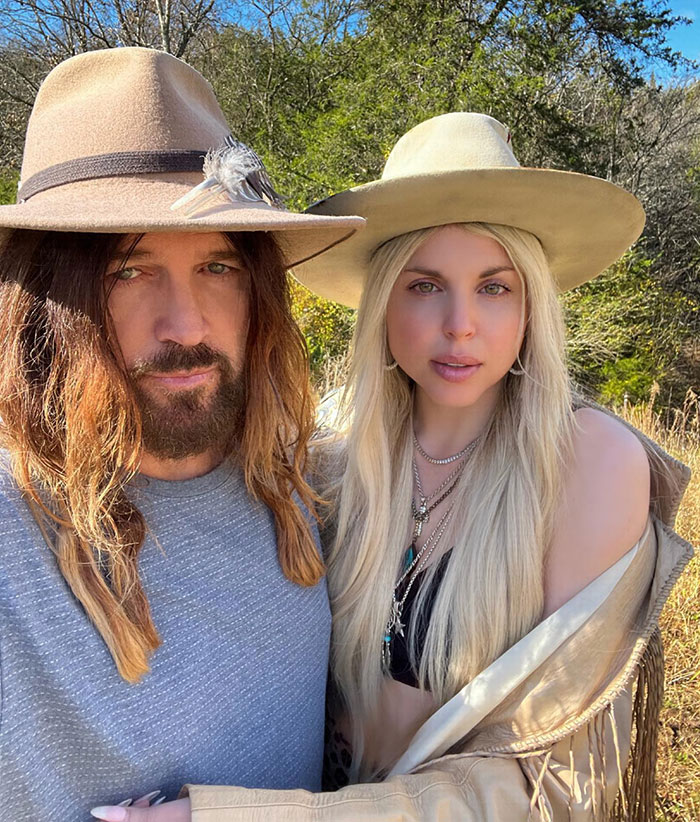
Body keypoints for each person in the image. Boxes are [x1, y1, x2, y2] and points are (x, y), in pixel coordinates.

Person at [91, 114, 694, 821]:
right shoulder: (330, 444)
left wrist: (234, 816)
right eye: (424, 285)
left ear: (532, 304)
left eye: (495, 287)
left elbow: (553, 783)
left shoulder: (587, 463)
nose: (461, 323)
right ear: (382, 302)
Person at [0, 46, 364, 821]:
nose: (187, 324)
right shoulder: (16, 514)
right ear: (43, 302)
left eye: (219, 267)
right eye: (127, 271)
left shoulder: (300, 485)